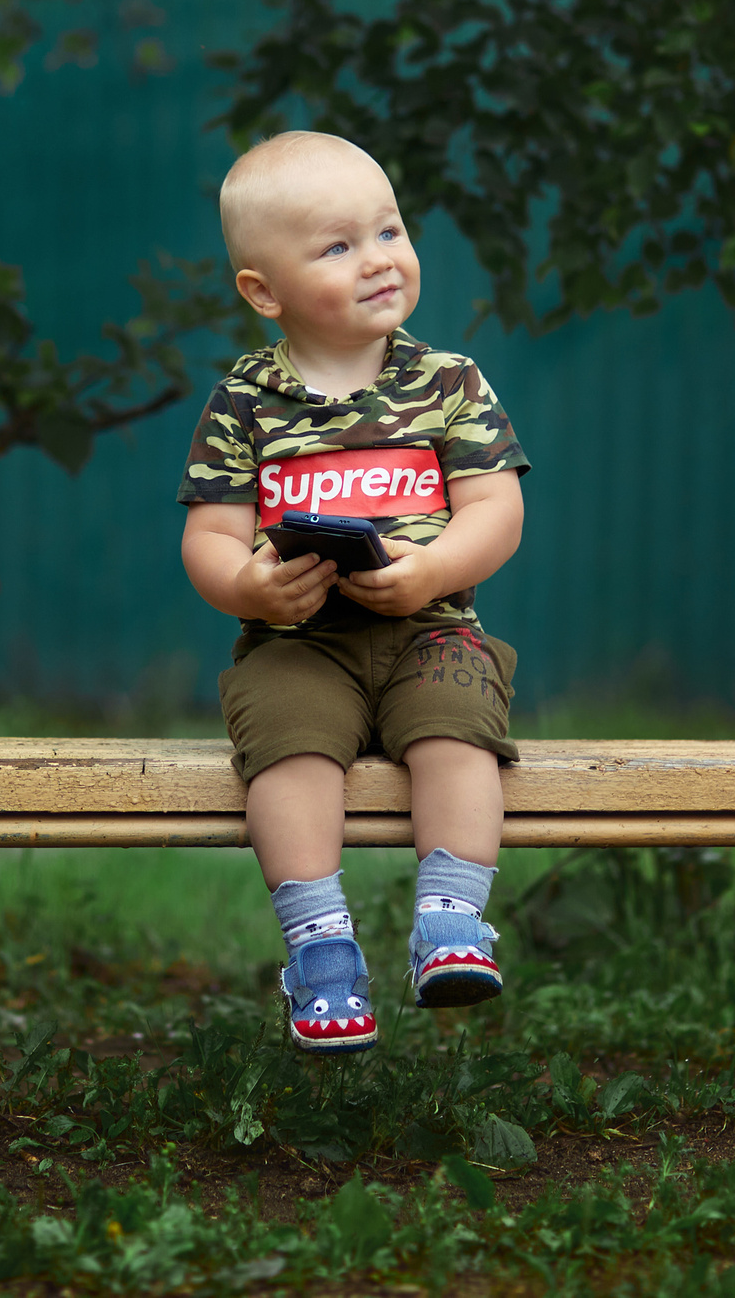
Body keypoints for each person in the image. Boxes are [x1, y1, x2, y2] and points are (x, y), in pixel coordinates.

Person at [176, 130, 531, 1053]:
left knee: (459, 728)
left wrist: (434, 569)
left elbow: (496, 508)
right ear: (265, 290)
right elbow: (209, 537)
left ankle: (452, 919)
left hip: (433, 627)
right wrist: (253, 583)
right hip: (300, 642)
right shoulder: (246, 401)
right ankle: (320, 943)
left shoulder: (447, 383)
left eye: (389, 231)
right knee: (288, 747)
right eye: (338, 247)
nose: (378, 259)